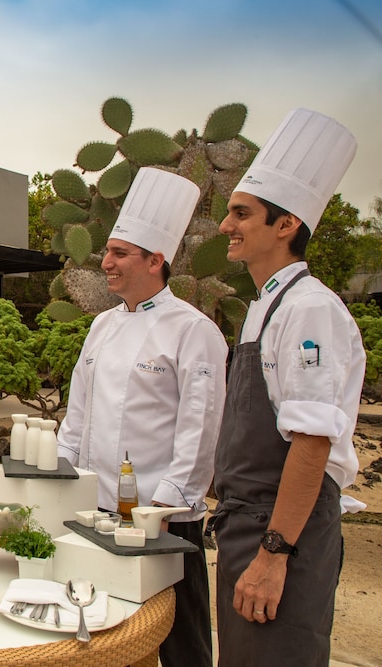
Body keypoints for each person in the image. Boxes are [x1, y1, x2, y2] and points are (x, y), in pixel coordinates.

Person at [210, 108, 364, 666]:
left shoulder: (310, 309)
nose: (225, 226)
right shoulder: (265, 307)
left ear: (286, 225)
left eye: (241, 213)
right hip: (247, 526)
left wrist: (274, 554)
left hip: (281, 532)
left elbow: (312, 443)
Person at [58, 167, 227, 666]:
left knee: (181, 638)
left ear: (156, 261)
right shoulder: (101, 326)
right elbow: (78, 413)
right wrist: (63, 473)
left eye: (119, 253)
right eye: (107, 252)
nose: (106, 262)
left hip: (163, 516)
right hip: (98, 510)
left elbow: (201, 428)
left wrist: (166, 504)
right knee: (106, 631)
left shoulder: (193, 330)